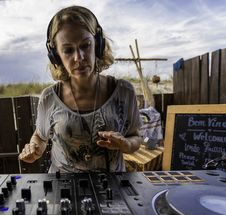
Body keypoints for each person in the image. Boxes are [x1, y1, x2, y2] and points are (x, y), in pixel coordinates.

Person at [18, 5, 142, 173]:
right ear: (56, 56)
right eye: (68, 50)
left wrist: (126, 145)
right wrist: (34, 149)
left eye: (85, 45)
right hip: (62, 191)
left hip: (113, 189)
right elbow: (40, 136)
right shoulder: (49, 97)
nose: (79, 57)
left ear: (98, 45)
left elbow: (136, 137)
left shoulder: (124, 91)